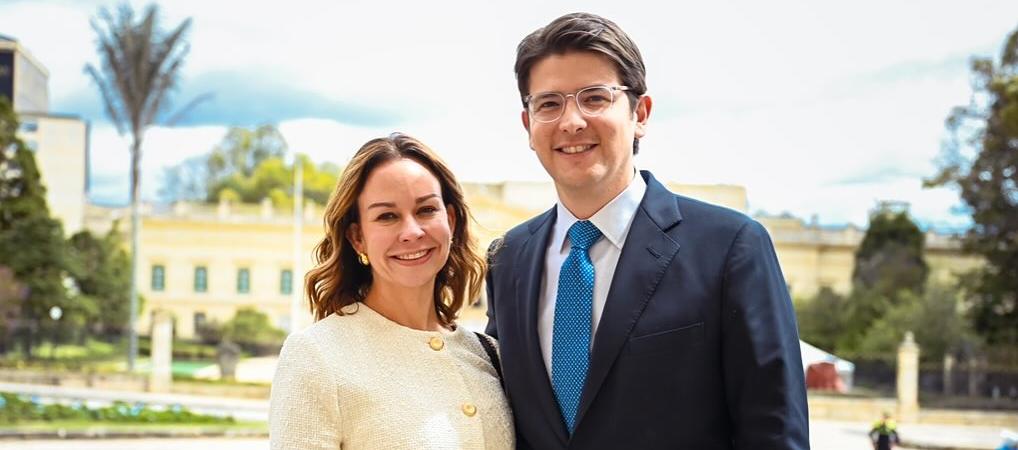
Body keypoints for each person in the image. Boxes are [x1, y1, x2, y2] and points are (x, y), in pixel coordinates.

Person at [484, 12, 810, 449]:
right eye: (549, 103)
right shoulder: (507, 258)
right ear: (528, 126)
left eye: (595, 98)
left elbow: (773, 431)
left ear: (640, 113)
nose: (572, 121)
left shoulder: (731, 248)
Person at [270, 133, 514, 449]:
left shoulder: (488, 352)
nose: (412, 232)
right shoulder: (317, 357)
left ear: (450, 221)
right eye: (387, 216)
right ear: (357, 237)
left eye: (426, 210)